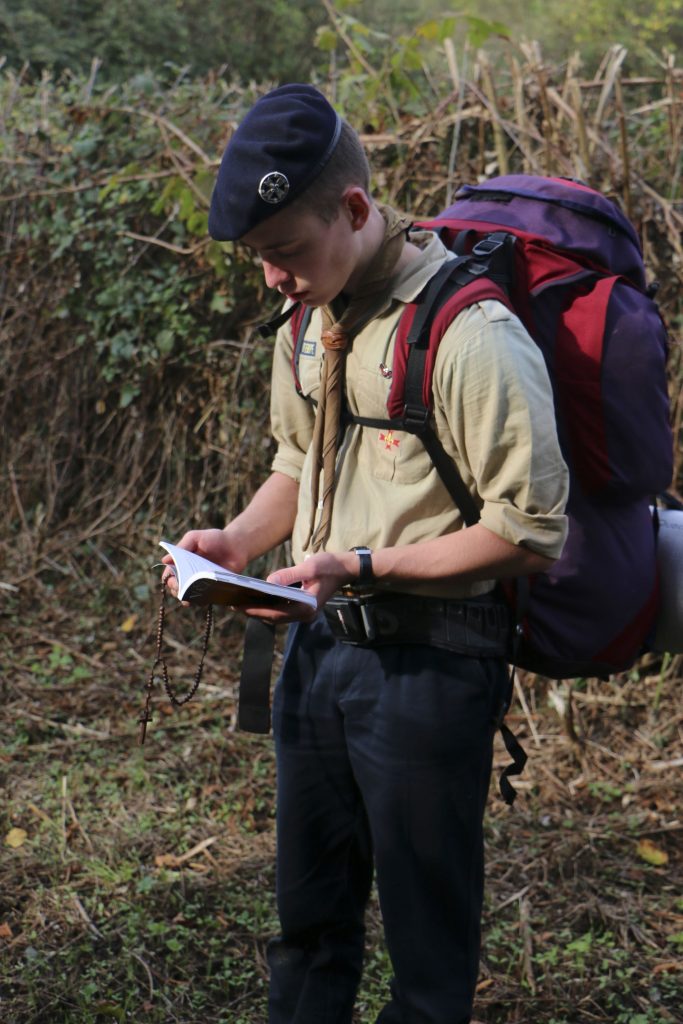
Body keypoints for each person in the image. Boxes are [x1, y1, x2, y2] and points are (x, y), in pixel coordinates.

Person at [164, 83, 569, 1024]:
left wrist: (360, 565)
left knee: (427, 948)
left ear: (353, 209)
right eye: (258, 260)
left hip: (430, 667)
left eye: (285, 252)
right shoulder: (308, 315)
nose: (272, 278)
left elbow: (529, 533)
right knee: (306, 923)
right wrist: (235, 543)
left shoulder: (473, 336)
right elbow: (299, 460)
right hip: (318, 655)